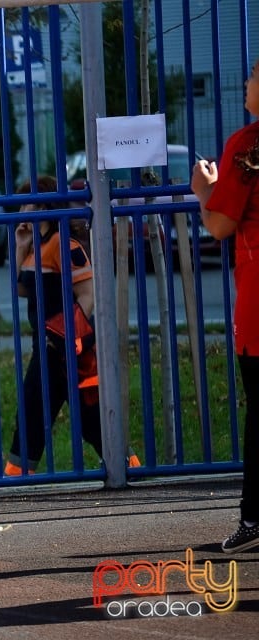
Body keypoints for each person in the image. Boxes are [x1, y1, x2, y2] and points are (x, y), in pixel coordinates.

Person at [5, 176, 141, 476]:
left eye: (25, 204)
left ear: (43, 206)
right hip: (46, 347)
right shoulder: (34, 245)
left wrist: (64, 337)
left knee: (91, 419)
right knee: (32, 412)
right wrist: (20, 246)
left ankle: (130, 468)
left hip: (71, 350)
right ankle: (15, 479)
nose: (20, 211)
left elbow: (88, 295)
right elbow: (21, 290)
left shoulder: (64, 244)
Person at [191, 57, 259, 553]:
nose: (246, 81)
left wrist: (202, 191)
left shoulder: (247, 143)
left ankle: (254, 520)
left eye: (254, 73)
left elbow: (219, 224)